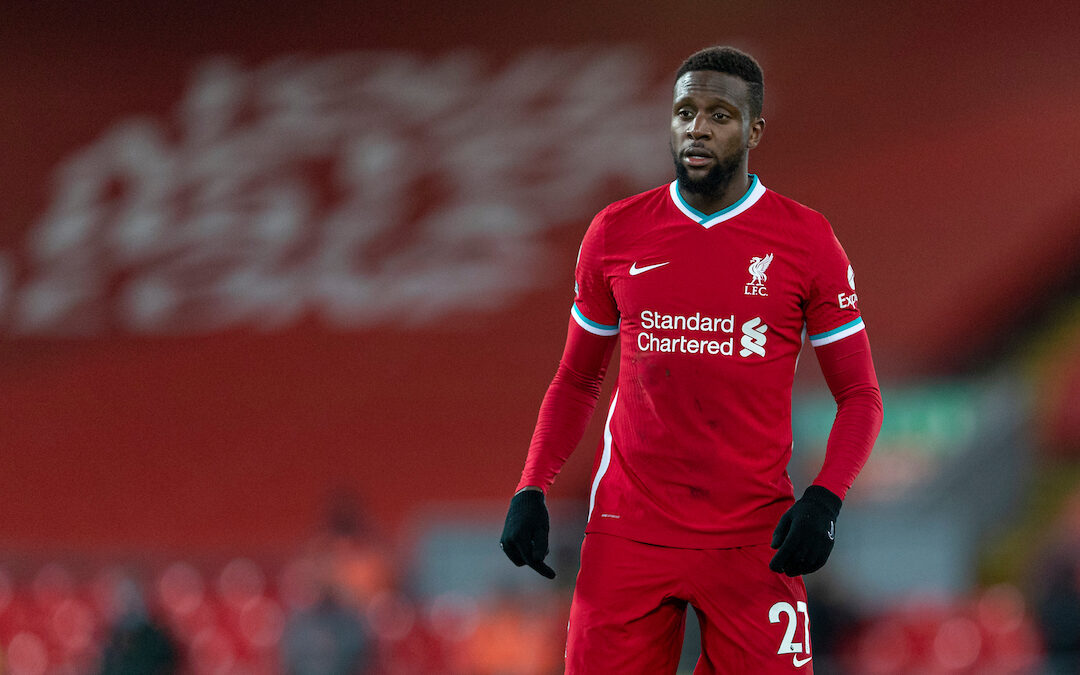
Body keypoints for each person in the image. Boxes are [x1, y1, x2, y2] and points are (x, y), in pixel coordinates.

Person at [499, 46, 883, 674]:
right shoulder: (615, 233)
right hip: (629, 528)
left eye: (719, 115)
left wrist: (825, 499)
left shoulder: (807, 240)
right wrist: (531, 486)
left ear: (755, 129)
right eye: (684, 111)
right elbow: (576, 379)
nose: (696, 128)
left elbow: (861, 396)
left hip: (754, 536)